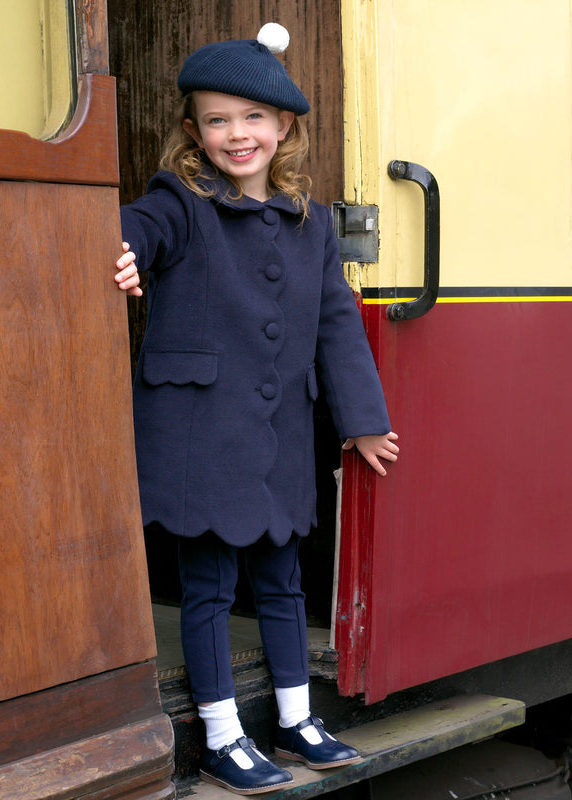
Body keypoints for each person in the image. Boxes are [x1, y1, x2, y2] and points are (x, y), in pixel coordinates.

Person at [114, 23, 399, 795]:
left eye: (252, 118)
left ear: (284, 128)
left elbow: (337, 320)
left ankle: (298, 718)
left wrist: (362, 418)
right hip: (200, 437)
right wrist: (118, 252)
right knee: (207, 588)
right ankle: (219, 734)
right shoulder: (181, 200)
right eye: (216, 120)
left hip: (276, 439)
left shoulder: (311, 226)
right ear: (193, 133)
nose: (236, 135)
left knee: (282, 584)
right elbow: (133, 229)